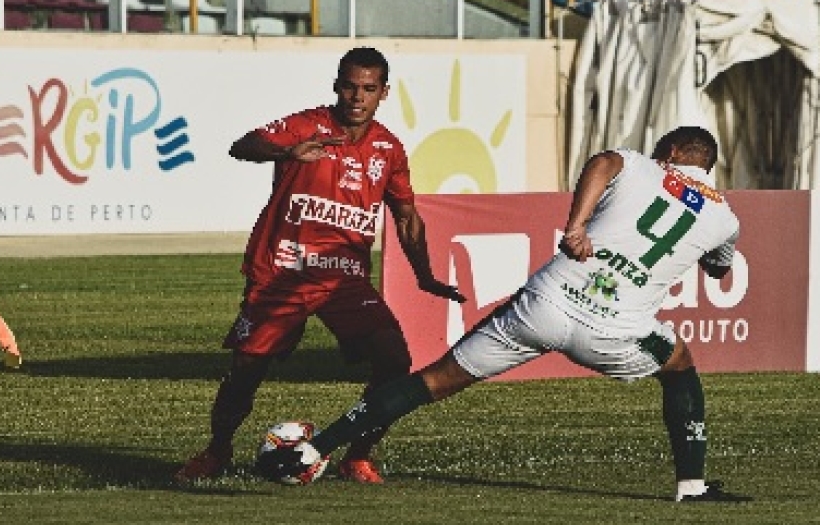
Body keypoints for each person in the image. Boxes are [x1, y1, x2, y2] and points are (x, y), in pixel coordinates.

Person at [262, 126, 750, 502]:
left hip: (546, 303)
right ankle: (692, 486)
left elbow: (603, 161)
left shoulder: (643, 166)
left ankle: (311, 451)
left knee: (432, 381)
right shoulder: (725, 217)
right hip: (614, 330)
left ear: (668, 155)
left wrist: (576, 225)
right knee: (680, 367)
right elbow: (718, 270)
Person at [176, 47, 465, 484]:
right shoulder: (308, 125)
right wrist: (288, 152)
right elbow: (243, 146)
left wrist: (424, 275)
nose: (357, 96)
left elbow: (406, 215)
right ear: (336, 85)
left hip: (344, 279)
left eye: (368, 89)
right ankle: (216, 452)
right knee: (245, 372)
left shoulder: (388, 148)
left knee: (394, 362)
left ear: (383, 93)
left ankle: (358, 455)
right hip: (283, 271)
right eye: (350, 86)